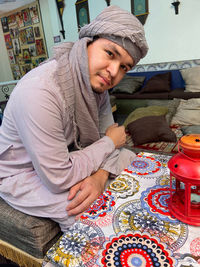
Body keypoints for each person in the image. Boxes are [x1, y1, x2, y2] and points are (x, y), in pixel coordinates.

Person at [0, 5, 148, 231]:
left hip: (68, 157)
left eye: (124, 67)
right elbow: (59, 177)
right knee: (86, 207)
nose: (113, 71)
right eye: (110, 53)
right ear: (88, 42)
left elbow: (111, 143)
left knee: (130, 159)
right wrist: (109, 142)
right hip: (22, 174)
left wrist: (100, 177)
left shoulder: (97, 87)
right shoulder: (40, 92)